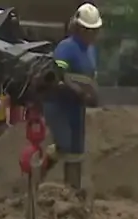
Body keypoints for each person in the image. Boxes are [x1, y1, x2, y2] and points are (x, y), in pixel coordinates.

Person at [46, 3, 102, 192]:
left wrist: (92, 93)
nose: (92, 35)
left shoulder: (91, 51)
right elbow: (58, 75)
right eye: (88, 30)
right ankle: (36, 175)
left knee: (77, 150)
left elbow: (91, 77)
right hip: (59, 104)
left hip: (77, 106)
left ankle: (73, 191)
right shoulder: (66, 47)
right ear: (79, 28)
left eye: (95, 30)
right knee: (65, 145)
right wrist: (77, 90)